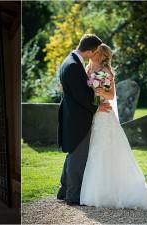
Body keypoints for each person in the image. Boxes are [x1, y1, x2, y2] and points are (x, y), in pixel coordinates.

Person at [80, 43, 147, 210]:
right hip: (94, 113)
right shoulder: (88, 69)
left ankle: (112, 192)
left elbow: (110, 94)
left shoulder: (105, 72)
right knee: (96, 150)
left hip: (103, 115)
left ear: (100, 55)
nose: (92, 54)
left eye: (96, 53)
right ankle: (98, 191)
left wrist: (97, 91)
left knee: (105, 150)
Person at [57, 34, 111, 205]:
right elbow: (81, 95)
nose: (94, 54)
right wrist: (97, 107)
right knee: (78, 156)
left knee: (73, 153)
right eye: (94, 51)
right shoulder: (74, 65)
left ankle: (64, 190)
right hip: (78, 117)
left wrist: (99, 98)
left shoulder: (69, 60)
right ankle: (72, 196)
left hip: (73, 115)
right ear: (90, 51)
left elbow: (84, 91)